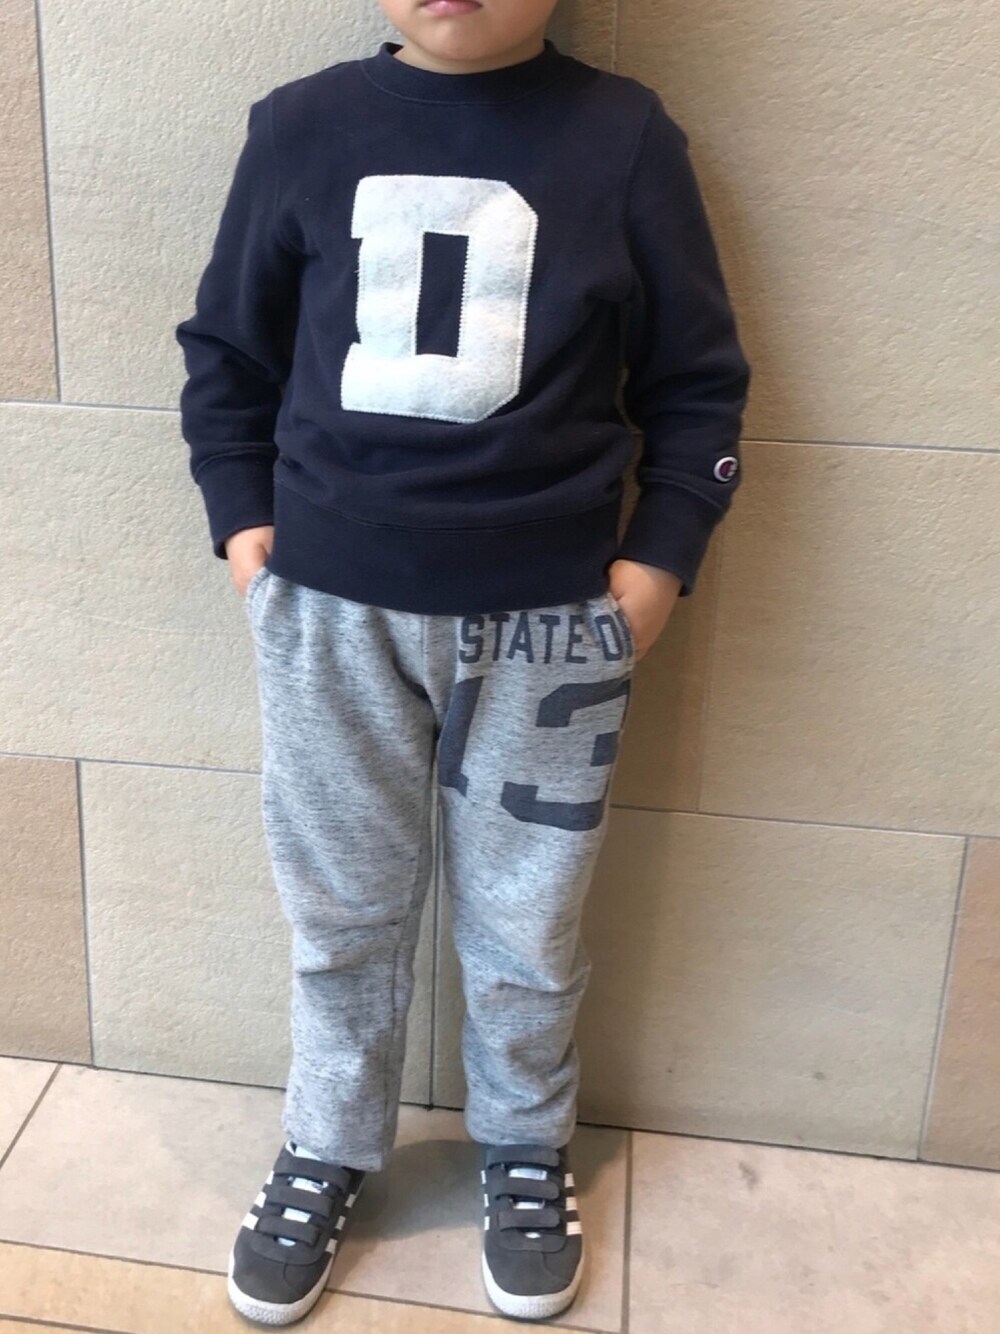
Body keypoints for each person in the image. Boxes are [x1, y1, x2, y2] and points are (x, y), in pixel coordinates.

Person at [175, 0, 750, 1324]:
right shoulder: (302, 128)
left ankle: (525, 1143)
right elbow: (229, 351)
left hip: (553, 627)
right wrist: (244, 526)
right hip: (330, 613)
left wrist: (660, 560)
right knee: (342, 907)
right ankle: (328, 1138)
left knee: (528, 915)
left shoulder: (625, 138)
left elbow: (697, 380)